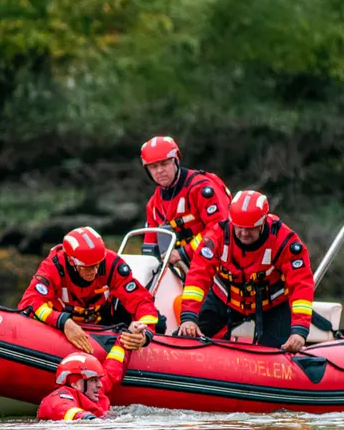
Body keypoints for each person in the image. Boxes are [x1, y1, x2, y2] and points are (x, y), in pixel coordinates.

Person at [176, 189, 315, 352]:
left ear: (262, 222)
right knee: (182, 338)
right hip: (224, 299)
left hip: (271, 305)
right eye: (239, 227)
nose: (243, 233)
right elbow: (197, 276)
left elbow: (301, 285)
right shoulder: (217, 235)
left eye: (250, 228)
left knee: (276, 354)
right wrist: (189, 317)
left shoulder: (285, 241)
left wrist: (299, 330)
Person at [19, 226, 161, 353]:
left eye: (97, 265)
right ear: (71, 261)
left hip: (103, 327)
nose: (94, 271)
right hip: (60, 329)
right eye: (88, 267)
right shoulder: (54, 267)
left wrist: (145, 333)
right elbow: (29, 302)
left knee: (159, 321)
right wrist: (63, 322)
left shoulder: (111, 264)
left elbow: (141, 300)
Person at [139, 135, 231, 268]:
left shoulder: (200, 189)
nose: (159, 171)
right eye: (153, 166)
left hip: (217, 262)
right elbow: (150, 247)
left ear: (175, 161)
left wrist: (183, 253)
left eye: (164, 164)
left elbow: (219, 229)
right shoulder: (154, 204)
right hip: (181, 268)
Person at [37, 327, 144, 420]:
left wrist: (124, 340)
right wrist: (87, 418)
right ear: (76, 384)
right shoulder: (60, 397)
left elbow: (112, 370)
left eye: (98, 379)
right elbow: (61, 408)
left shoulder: (90, 390)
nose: (100, 384)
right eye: (94, 380)